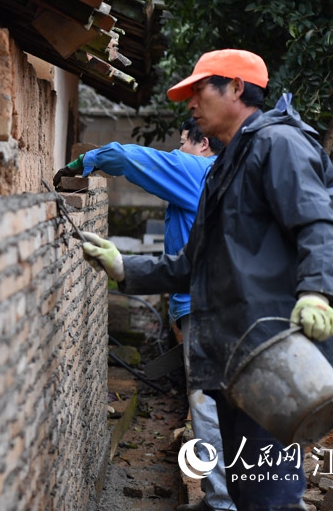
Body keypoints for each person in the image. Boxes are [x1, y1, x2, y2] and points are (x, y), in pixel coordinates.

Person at [79, 49, 333, 511]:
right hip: (232, 358)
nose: (189, 102)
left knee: (271, 495)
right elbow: (192, 264)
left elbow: (318, 224)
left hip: (275, 353)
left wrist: (317, 293)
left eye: (198, 89)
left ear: (236, 88)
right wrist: (124, 267)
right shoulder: (224, 166)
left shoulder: (279, 145)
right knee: (248, 490)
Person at [55, 120, 234, 511]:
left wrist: (85, 161)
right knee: (212, 404)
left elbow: (126, 157)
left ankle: (223, 504)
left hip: (206, 311)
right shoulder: (220, 176)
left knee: (207, 408)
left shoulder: (196, 171)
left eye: (181, 142)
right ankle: (220, 497)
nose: (176, 150)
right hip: (206, 306)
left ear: (203, 144)